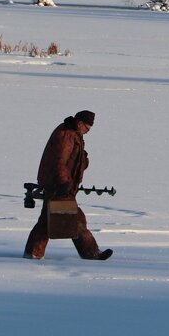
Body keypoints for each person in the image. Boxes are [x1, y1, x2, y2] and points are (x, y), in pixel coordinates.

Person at [23, 110, 112, 261]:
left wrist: (83, 162)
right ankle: (91, 254)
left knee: (50, 221)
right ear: (80, 123)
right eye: (87, 128)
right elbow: (59, 160)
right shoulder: (66, 135)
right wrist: (64, 182)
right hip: (59, 185)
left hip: (61, 185)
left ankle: (33, 253)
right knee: (73, 220)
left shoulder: (73, 133)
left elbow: (70, 160)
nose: (88, 131)